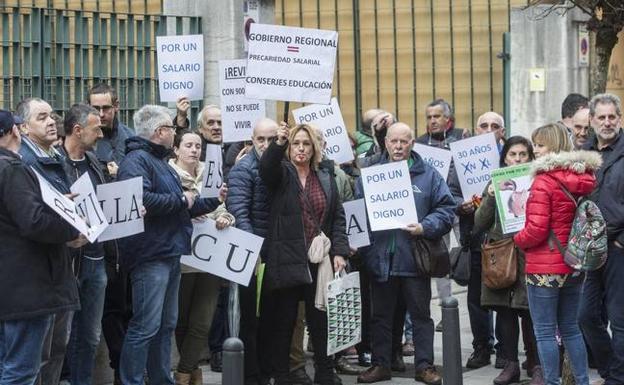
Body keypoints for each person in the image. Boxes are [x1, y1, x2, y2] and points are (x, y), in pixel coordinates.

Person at [116, 105, 223, 385]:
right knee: (145, 326)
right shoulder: (136, 160)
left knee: (165, 326)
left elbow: (183, 207)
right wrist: (181, 200)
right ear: (160, 132)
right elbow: (142, 201)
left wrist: (213, 200)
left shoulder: (160, 162)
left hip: (169, 252)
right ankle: (132, 380)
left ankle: (162, 379)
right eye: (172, 129)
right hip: (150, 255)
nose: (174, 134)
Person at [355, 122, 455, 385]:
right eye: (393, 141)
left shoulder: (428, 175)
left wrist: (425, 226)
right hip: (380, 257)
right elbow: (356, 212)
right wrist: (359, 246)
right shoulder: (371, 174)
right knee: (380, 316)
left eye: (404, 142)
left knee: (421, 315)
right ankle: (381, 364)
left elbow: (446, 209)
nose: (398, 147)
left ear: (412, 143)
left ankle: (424, 366)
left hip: (414, 258)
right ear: (385, 142)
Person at [259, 123, 349, 385]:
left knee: (321, 319)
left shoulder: (324, 176)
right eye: (296, 143)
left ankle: (324, 372)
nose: (300, 148)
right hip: (288, 257)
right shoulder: (282, 173)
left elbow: (338, 218)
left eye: (306, 144)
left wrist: (340, 251)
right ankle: (283, 376)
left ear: (314, 148)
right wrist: (278, 143)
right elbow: (266, 169)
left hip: (319, 261)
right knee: (285, 320)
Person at [0, 109, 85, 385]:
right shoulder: (12, 168)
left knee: (9, 366)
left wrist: (54, 202)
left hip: (13, 286)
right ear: (15, 131)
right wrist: (72, 227)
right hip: (27, 287)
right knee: (21, 371)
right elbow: (33, 221)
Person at [514, 123, 600, 385]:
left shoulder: (543, 181)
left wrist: (518, 239)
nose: (535, 150)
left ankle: (551, 382)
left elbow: (537, 230)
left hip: (544, 267)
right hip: (574, 263)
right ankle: (582, 381)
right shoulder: (582, 178)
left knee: (544, 332)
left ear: (552, 146)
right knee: (572, 329)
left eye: (539, 144)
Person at [474, 136, 543, 385]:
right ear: (504, 157)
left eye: (523, 155)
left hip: (531, 254)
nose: (517, 159)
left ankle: (537, 365)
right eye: (513, 155)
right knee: (504, 312)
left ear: (530, 157)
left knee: (531, 313)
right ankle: (510, 364)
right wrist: (491, 195)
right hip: (502, 255)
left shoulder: (538, 181)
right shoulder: (494, 182)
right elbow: (479, 223)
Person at [169, 130, 234, 385]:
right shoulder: (168, 173)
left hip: (210, 258)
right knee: (181, 320)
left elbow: (223, 207)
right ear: (176, 149)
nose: (194, 150)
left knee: (203, 320)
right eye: (188, 145)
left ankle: (183, 374)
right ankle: (193, 370)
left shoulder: (211, 171)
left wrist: (224, 217)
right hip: (182, 259)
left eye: (198, 145)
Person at [57, 104, 110, 385]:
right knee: (60, 336)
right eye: (96, 128)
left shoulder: (94, 163)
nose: (101, 133)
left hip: (96, 258)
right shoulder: (54, 163)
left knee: (90, 335)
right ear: (77, 130)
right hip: (67, 261)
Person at [227, 118, 278, 385]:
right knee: (251, 320)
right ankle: (252, 375)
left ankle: (267, 371)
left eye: (272, 139)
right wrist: (253, 249)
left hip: (275, 255)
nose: (266, 145)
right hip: (253, 258)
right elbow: (239, 210)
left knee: (272, 317)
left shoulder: (282, 166)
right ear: (252, 140)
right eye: (261, 139)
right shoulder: (243, 169)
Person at [579, 93, 624, 384]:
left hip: (619, 246)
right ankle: (611, 370)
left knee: (620, 321)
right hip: (590, 246)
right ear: (592, 120)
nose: (607, 122)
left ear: (619, 119)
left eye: (612, 117)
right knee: (585, 316)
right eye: (602, 117)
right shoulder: (582, 153)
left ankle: (617, 379)